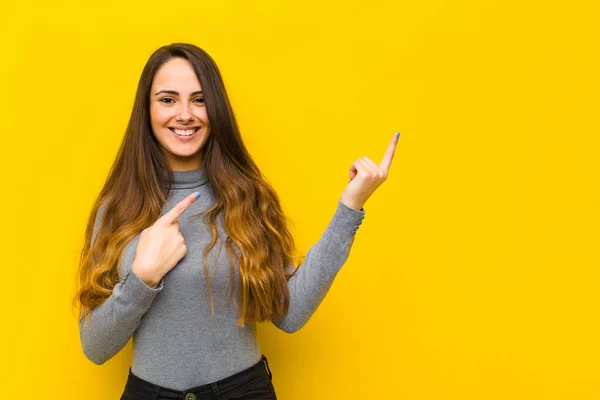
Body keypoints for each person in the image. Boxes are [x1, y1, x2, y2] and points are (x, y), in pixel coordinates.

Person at [73, 42, 399, 400]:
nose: (185, 114)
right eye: (168, 99)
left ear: (216, 109)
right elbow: (95, 347)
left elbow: (289, 314)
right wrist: (142, 279)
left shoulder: (247, 197)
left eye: (199, 100)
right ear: (147, 110)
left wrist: (350, 206)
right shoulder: (117, 208)